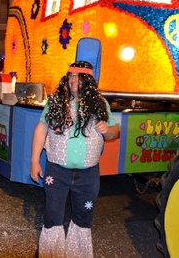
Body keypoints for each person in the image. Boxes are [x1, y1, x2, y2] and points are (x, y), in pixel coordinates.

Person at [30, 61, 119, 258]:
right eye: (70, 76)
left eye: (78, 77)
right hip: (57, 170)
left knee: (83, 217)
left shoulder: (100, 104)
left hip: (88, 174)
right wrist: (34, 161)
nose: (73, 80)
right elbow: (41, 130)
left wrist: (108, 130)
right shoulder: (55, 102)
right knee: (52, 215)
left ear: (87, 80)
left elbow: (114, 132)